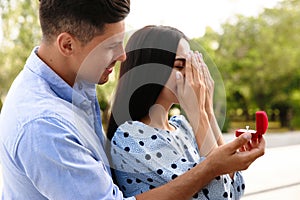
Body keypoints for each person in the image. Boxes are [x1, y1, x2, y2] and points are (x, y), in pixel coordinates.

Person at [0, 1, 265, 200]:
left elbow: (234, 187)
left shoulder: (77, 85)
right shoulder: (43, 125)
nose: (124, 57)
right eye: (110, 47)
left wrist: (205, 112)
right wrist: (210, 164)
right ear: (67, 45)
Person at [107, 26, 262, 199]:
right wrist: (198, 113)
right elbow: (220, 196)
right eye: (180, 66)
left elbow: (235, 190)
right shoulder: (132, 136)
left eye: (192, 66)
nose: (191, 75)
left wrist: (207, 110)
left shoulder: (181, 126)